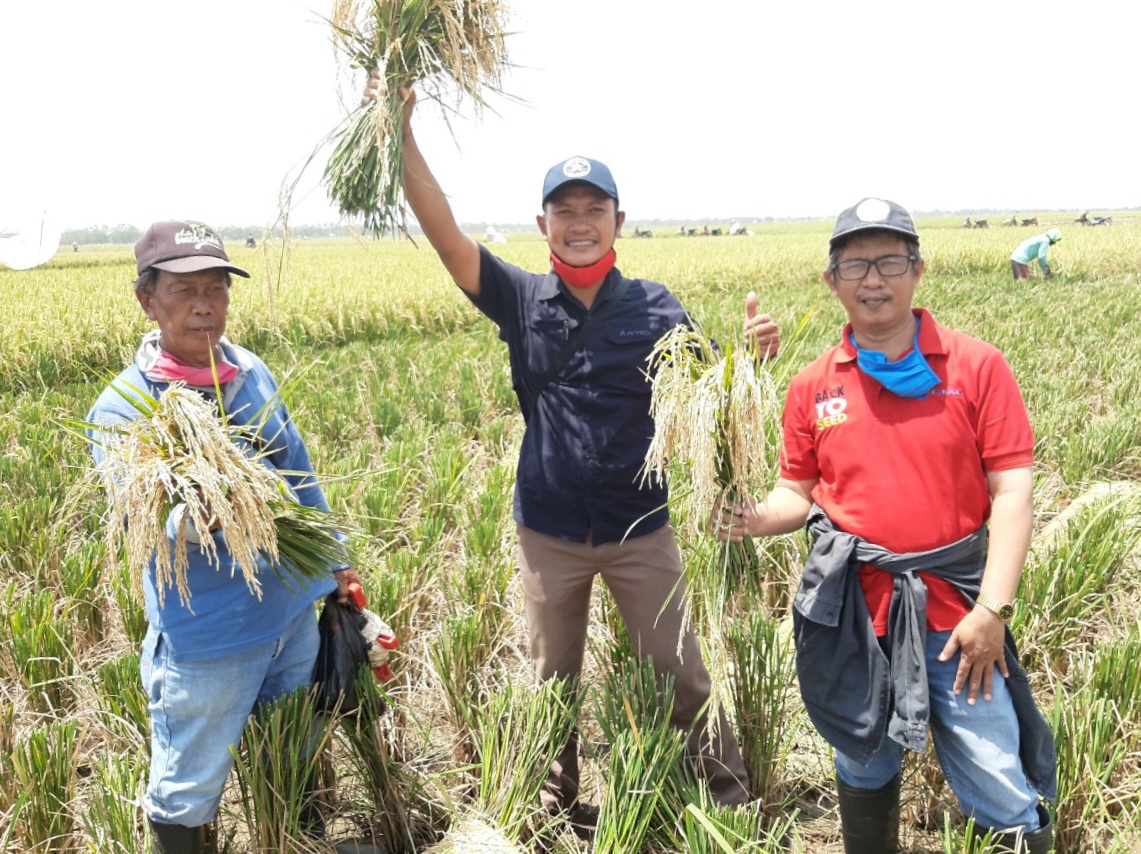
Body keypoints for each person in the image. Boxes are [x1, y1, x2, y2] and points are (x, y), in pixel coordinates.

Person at [368, 76, 781, 825]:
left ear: (619, 221)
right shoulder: (518, 298)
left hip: (639, 527)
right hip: (549, 530)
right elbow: (444, 231)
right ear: (543, 223)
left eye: (595, 210)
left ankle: (725, 800)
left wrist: (751, 361)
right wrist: (400, 130)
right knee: (544, 682)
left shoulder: (656, 306)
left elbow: (709, 402)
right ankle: (547, 807)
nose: (580, 222)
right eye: (566, 211)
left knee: (680, 673)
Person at [716, 198, 1056, 853]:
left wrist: (992, 609)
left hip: (958, 615)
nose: (873, 279)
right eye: (855, 264)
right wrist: (752, 518)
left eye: (890, 261)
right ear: (831, 280)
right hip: (851, 616)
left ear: (917, 270)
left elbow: (1012, 490)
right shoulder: (812, 386)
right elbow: (797, 494)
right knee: (861, 758)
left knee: (992, 767)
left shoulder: (975, 367)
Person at [87, 220, 367, 854]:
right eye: (184, 290)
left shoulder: (247, 370)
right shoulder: (126, 407)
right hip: (209, 639)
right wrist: (216, 513)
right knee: (189, 786)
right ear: (147, 300)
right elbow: (148, 519)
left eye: (216, 288)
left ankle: (291, 841)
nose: (204, 305)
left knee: (293, 749)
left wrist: (337, 564)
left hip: (291, 615)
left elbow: (297, 471)